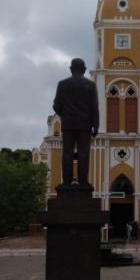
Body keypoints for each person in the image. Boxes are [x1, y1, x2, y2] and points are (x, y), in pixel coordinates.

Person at [52, 58, 99, 186]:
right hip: (85, 125)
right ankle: (83, 182)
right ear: (83, 70)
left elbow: (56, 106)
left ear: (71, 69)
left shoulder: (62, 84)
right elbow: (94, 107)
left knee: (67, 152)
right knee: (84, 153)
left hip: (68, 124)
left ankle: (66, 183)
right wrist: (96, 126)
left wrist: (65, 115)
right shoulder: (90, 85)